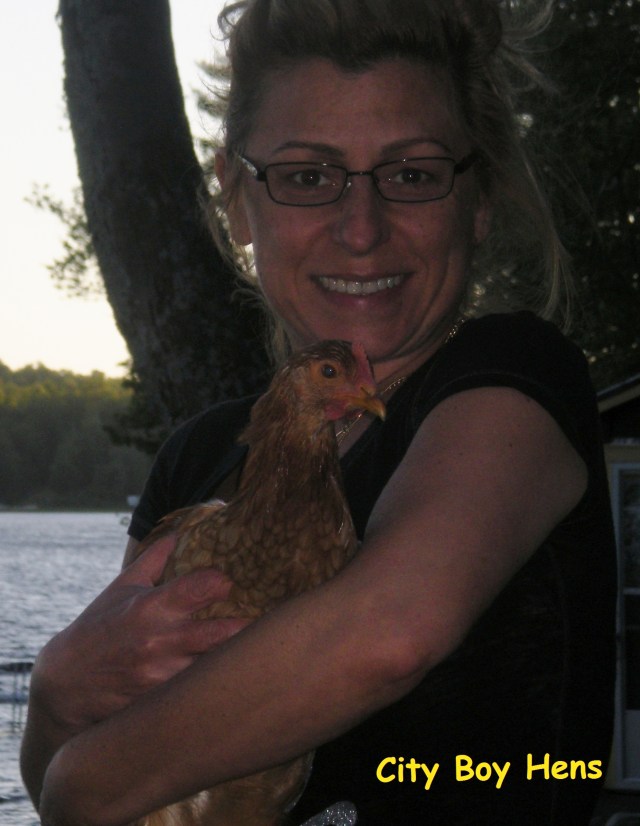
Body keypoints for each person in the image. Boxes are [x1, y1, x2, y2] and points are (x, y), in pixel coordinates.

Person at [21, 1, 617, 824]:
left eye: (412, 173)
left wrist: (78, 782)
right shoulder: (199, 459)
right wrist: (54, 698)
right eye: (308, 176)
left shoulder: (513, 382)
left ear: (477, 202)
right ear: (236, 198)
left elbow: (390, 632)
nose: (362, 228)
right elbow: (112, 735)